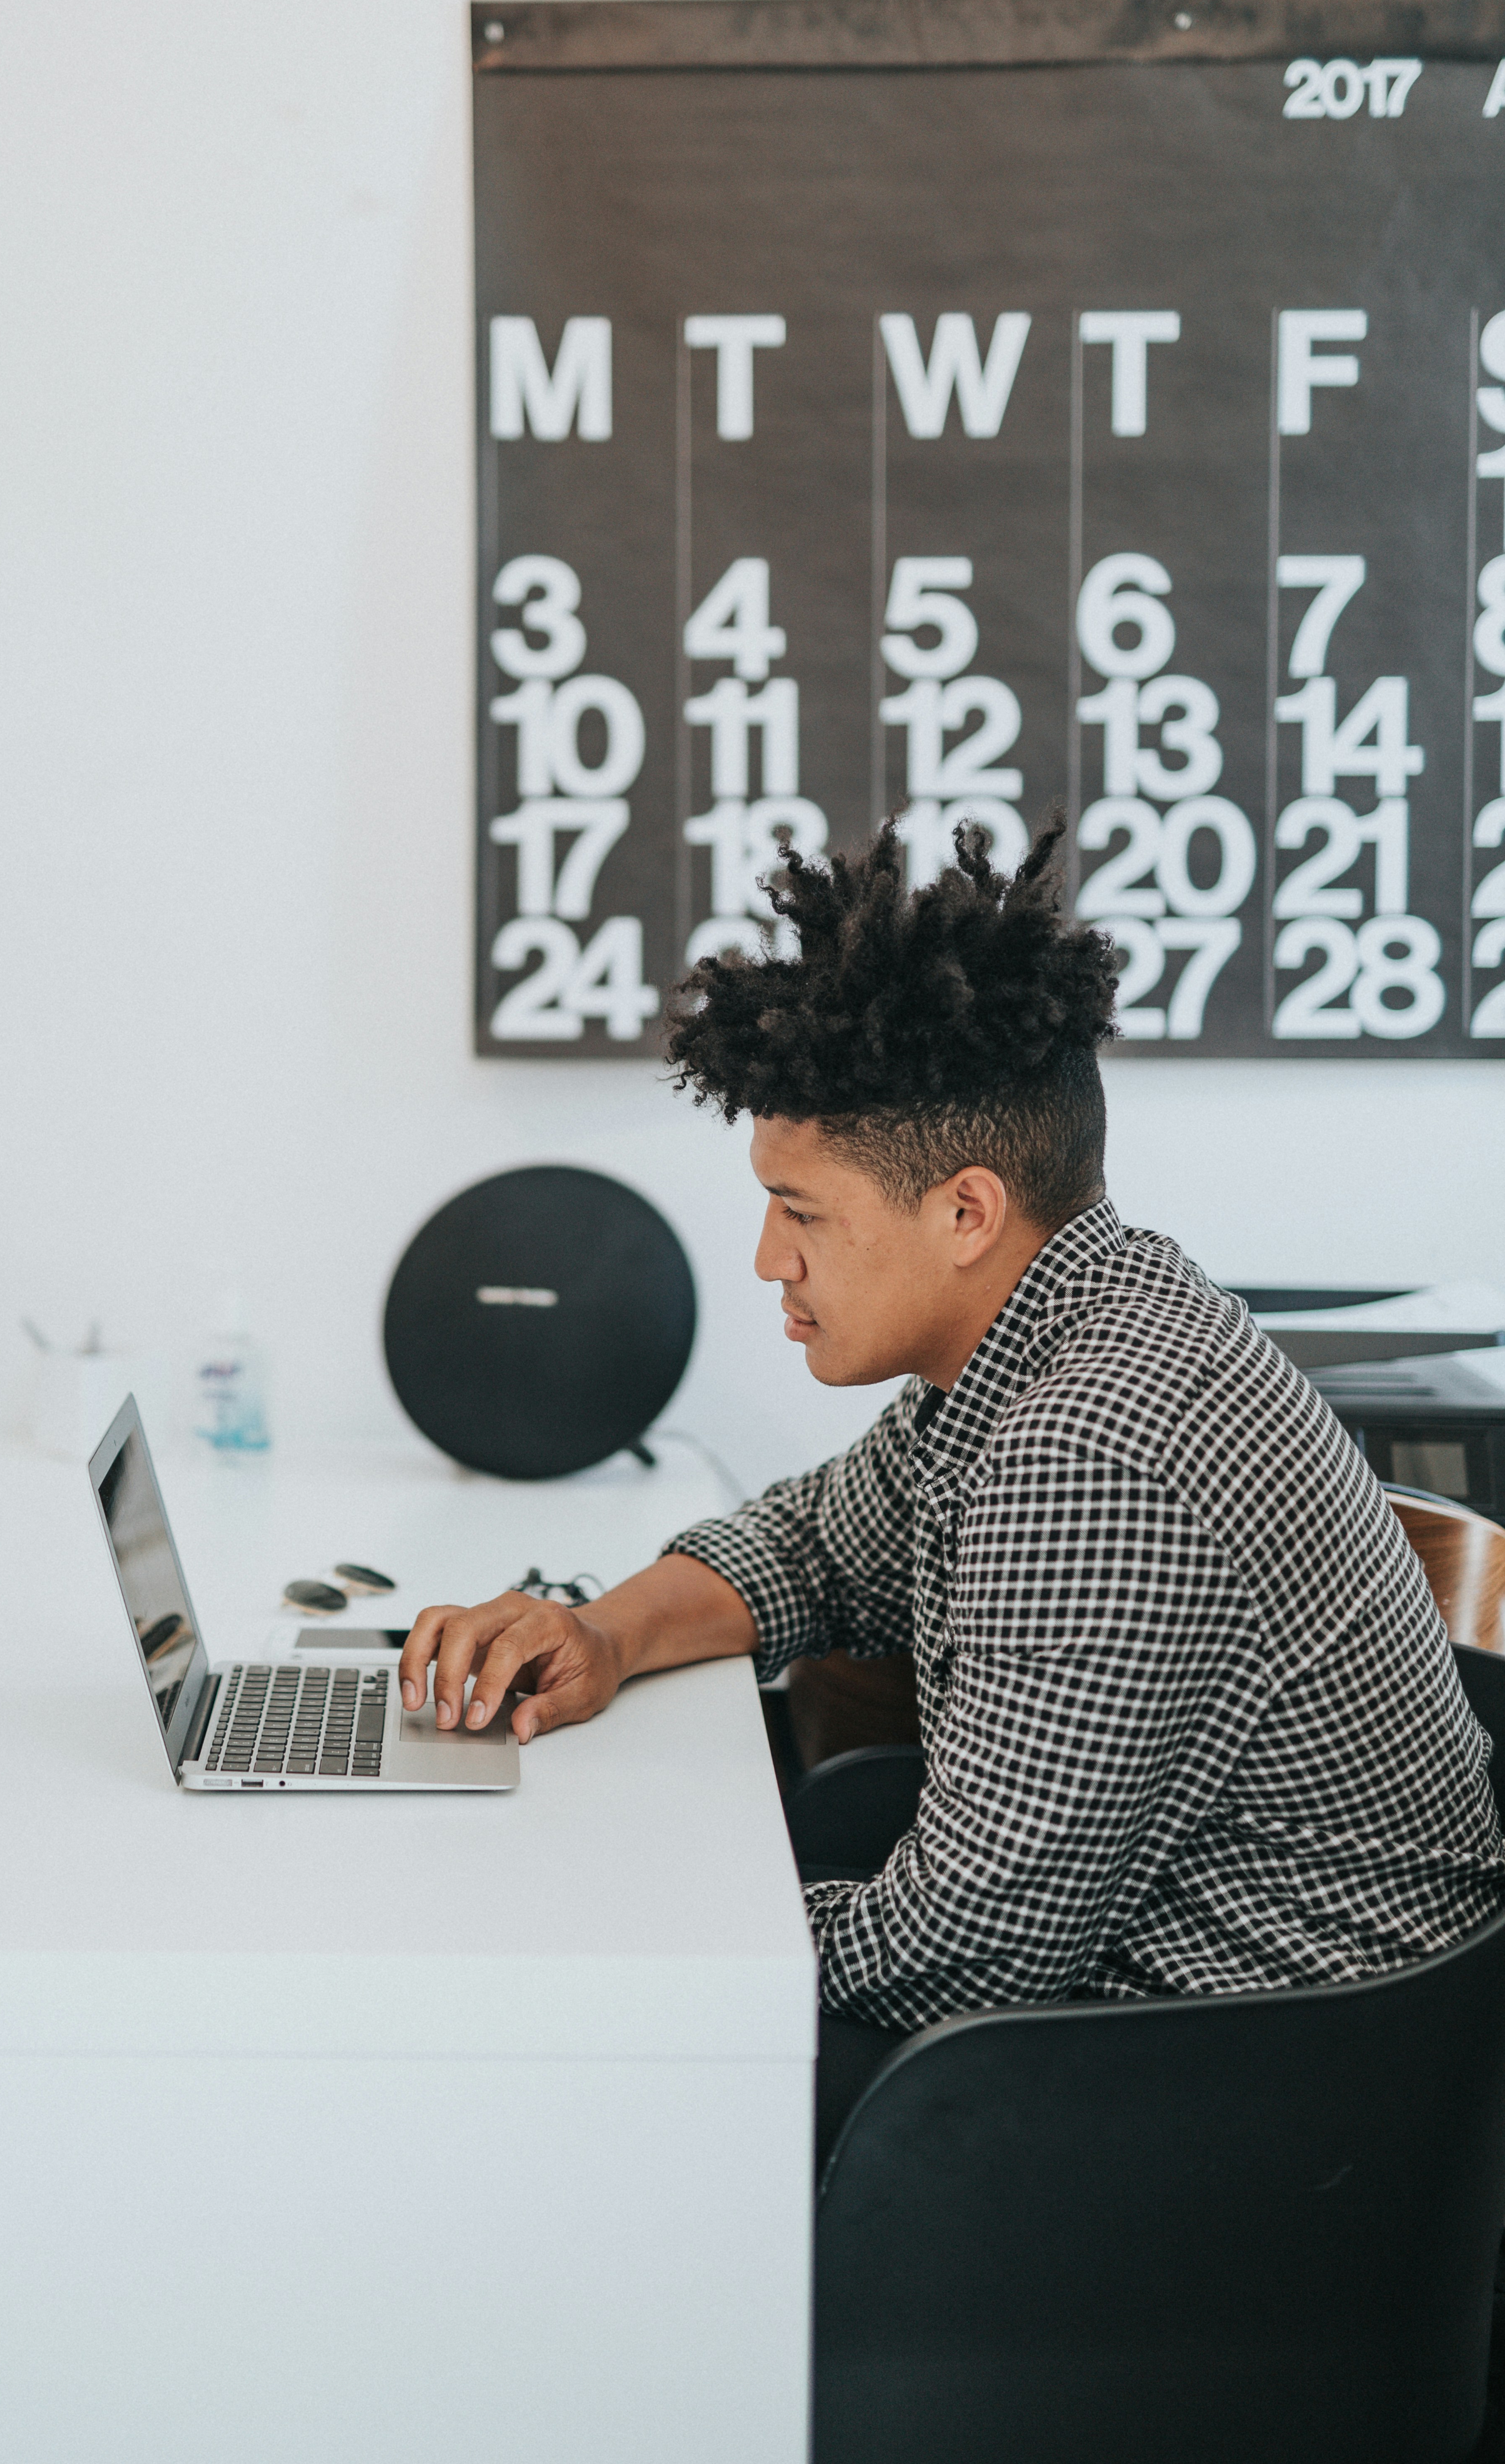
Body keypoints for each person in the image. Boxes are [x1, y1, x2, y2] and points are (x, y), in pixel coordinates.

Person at [399, 820, 1505, 2162]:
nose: (765, 1259)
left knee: (588, 2079)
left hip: (1264, 2119)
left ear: (966, 1212)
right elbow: (816, 1541)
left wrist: (650, 1925)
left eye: (802, 1214)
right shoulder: (1058, 1323)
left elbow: (965, 1955)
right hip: (1218, 2031)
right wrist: (607, 1632)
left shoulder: (1093, 1444)